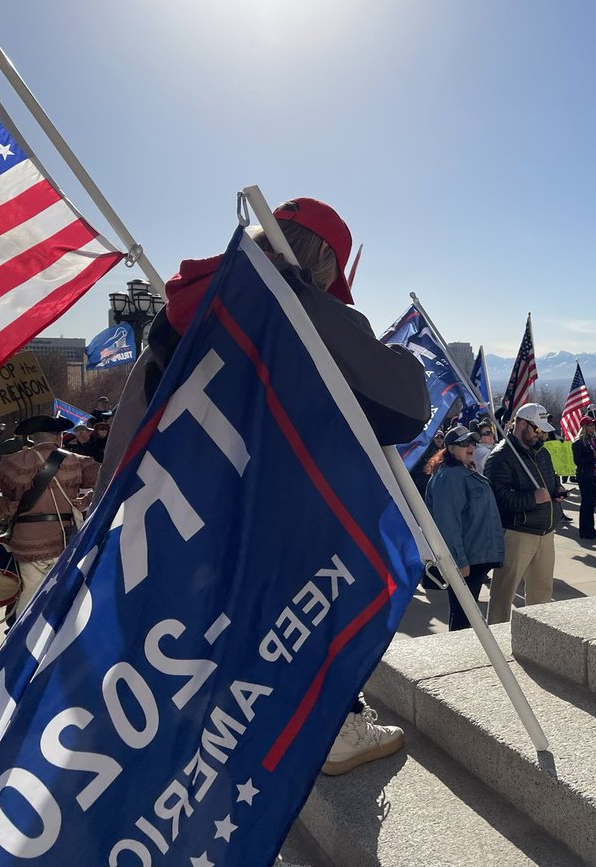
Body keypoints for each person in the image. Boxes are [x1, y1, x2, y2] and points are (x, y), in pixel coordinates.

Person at [95, 198, 431, 778]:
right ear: (324, 261)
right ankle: (331, 729)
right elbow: (405, 406)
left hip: (180, 518)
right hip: (276, 524)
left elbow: (133, 417)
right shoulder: (302, 311)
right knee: (311, 612)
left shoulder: (190, 304)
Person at [0, 416, 100, 623]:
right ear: (59, 437)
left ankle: (22, 645)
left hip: (27, 540)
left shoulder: (14, 461)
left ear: (33, 438)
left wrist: (5, 506)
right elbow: (108, 476)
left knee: (30, 597)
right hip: (65, 538)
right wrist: (85, 500)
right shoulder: (76, 460)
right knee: (65, 598)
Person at [485, 403, 565, 623]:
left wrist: (556, 491)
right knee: (504, 594)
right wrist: (532, 498)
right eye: (536, 429)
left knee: (542, 594)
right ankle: (496, 641)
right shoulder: (501, 456)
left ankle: (537, 638)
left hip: (546, 532)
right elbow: (498, 498)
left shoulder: (542, 453)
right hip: (517, 533)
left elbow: (551, 481)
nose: (540, 435)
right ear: (521, 424)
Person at [424, 426, 504, 632]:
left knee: (466, 615)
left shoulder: (465, 471)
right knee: (463, 617)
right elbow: (448, 523)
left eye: (473, 443)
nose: (471, 446)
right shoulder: (450, 477)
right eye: (464, 443)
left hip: (476, 557)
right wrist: (459, 561)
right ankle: (461, 656)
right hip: (467, 560)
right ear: (451, 449)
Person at [571, 416, 596, 539]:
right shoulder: (578, 443)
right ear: (584, 427)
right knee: (586, 503)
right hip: (585, 476)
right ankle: (584, 530)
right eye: (590, 425)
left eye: (593, 425)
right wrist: (593, 455)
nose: (592, 427)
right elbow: (578, 461)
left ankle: (591, 529)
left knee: (591, 503)